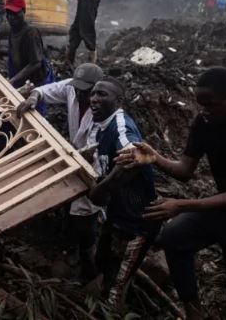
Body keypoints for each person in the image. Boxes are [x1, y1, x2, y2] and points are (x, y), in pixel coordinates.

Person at [116, 67, 226, 320]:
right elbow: (185, 170)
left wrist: (182, 205)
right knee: (174, 237)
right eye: (200, 104)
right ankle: (194, 314)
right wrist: (155, 158)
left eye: (211, 104)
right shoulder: (204, 122)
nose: (204, 111)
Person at [17, 63, 104, 282]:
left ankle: (89, 265)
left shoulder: (104, 109)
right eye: (79, 87)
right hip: (74, 157)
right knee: (71, 205)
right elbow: (47, 90)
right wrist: (34, 97)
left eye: (87, 90)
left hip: (95, 165)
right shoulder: (73, 88)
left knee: (86, 214)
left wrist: (68, 156)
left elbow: (94, 150)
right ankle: (70, 243)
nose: (80, 92)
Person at [84, 78, 158, 309]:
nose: (94, 99)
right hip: (117, 215)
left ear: (119, 101)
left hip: (138, 221)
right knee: (104, 262)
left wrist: (102, 189)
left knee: (118, 284)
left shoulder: (121, 125)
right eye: (93, 93)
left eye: (102, 94)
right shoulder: (102, 126)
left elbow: (134, 155)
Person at [5, 0, 54, 113]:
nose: (11, 17)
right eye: (8, 13)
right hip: (22, 78)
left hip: (36, 80)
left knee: (35, 111)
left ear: (23, 12)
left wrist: (13, 80)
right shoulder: (12, 31)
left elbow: (36, 63)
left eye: (15, 14)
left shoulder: (31, 33)